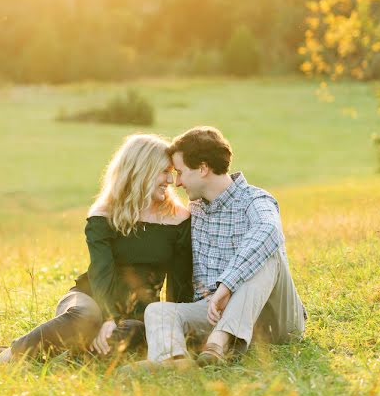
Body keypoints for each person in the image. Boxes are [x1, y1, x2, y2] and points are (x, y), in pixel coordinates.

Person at [0, 134, 193, 367]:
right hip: (91, 297)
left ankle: (56, 353)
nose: (171, 181)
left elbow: (179, 284)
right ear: (143, 171)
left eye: (172, 173)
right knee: (86, 318)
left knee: (121, 338)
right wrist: (110, 316)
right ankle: (1, 361)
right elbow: (101, 272)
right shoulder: (105, 213)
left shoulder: (179, 218)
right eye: (164, 172)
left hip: (138, 313)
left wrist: (177, 326)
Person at [127, 126, 306, 372]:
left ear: (202, 168)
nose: (176, 182)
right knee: (158, 311)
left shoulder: (256, 201)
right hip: (216, 312)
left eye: (180, 172)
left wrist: (228, 284)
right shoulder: (196, 210)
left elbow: (268, 232)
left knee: (266, 252)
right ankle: (172, 362)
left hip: (274, 319)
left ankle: (218, 343)